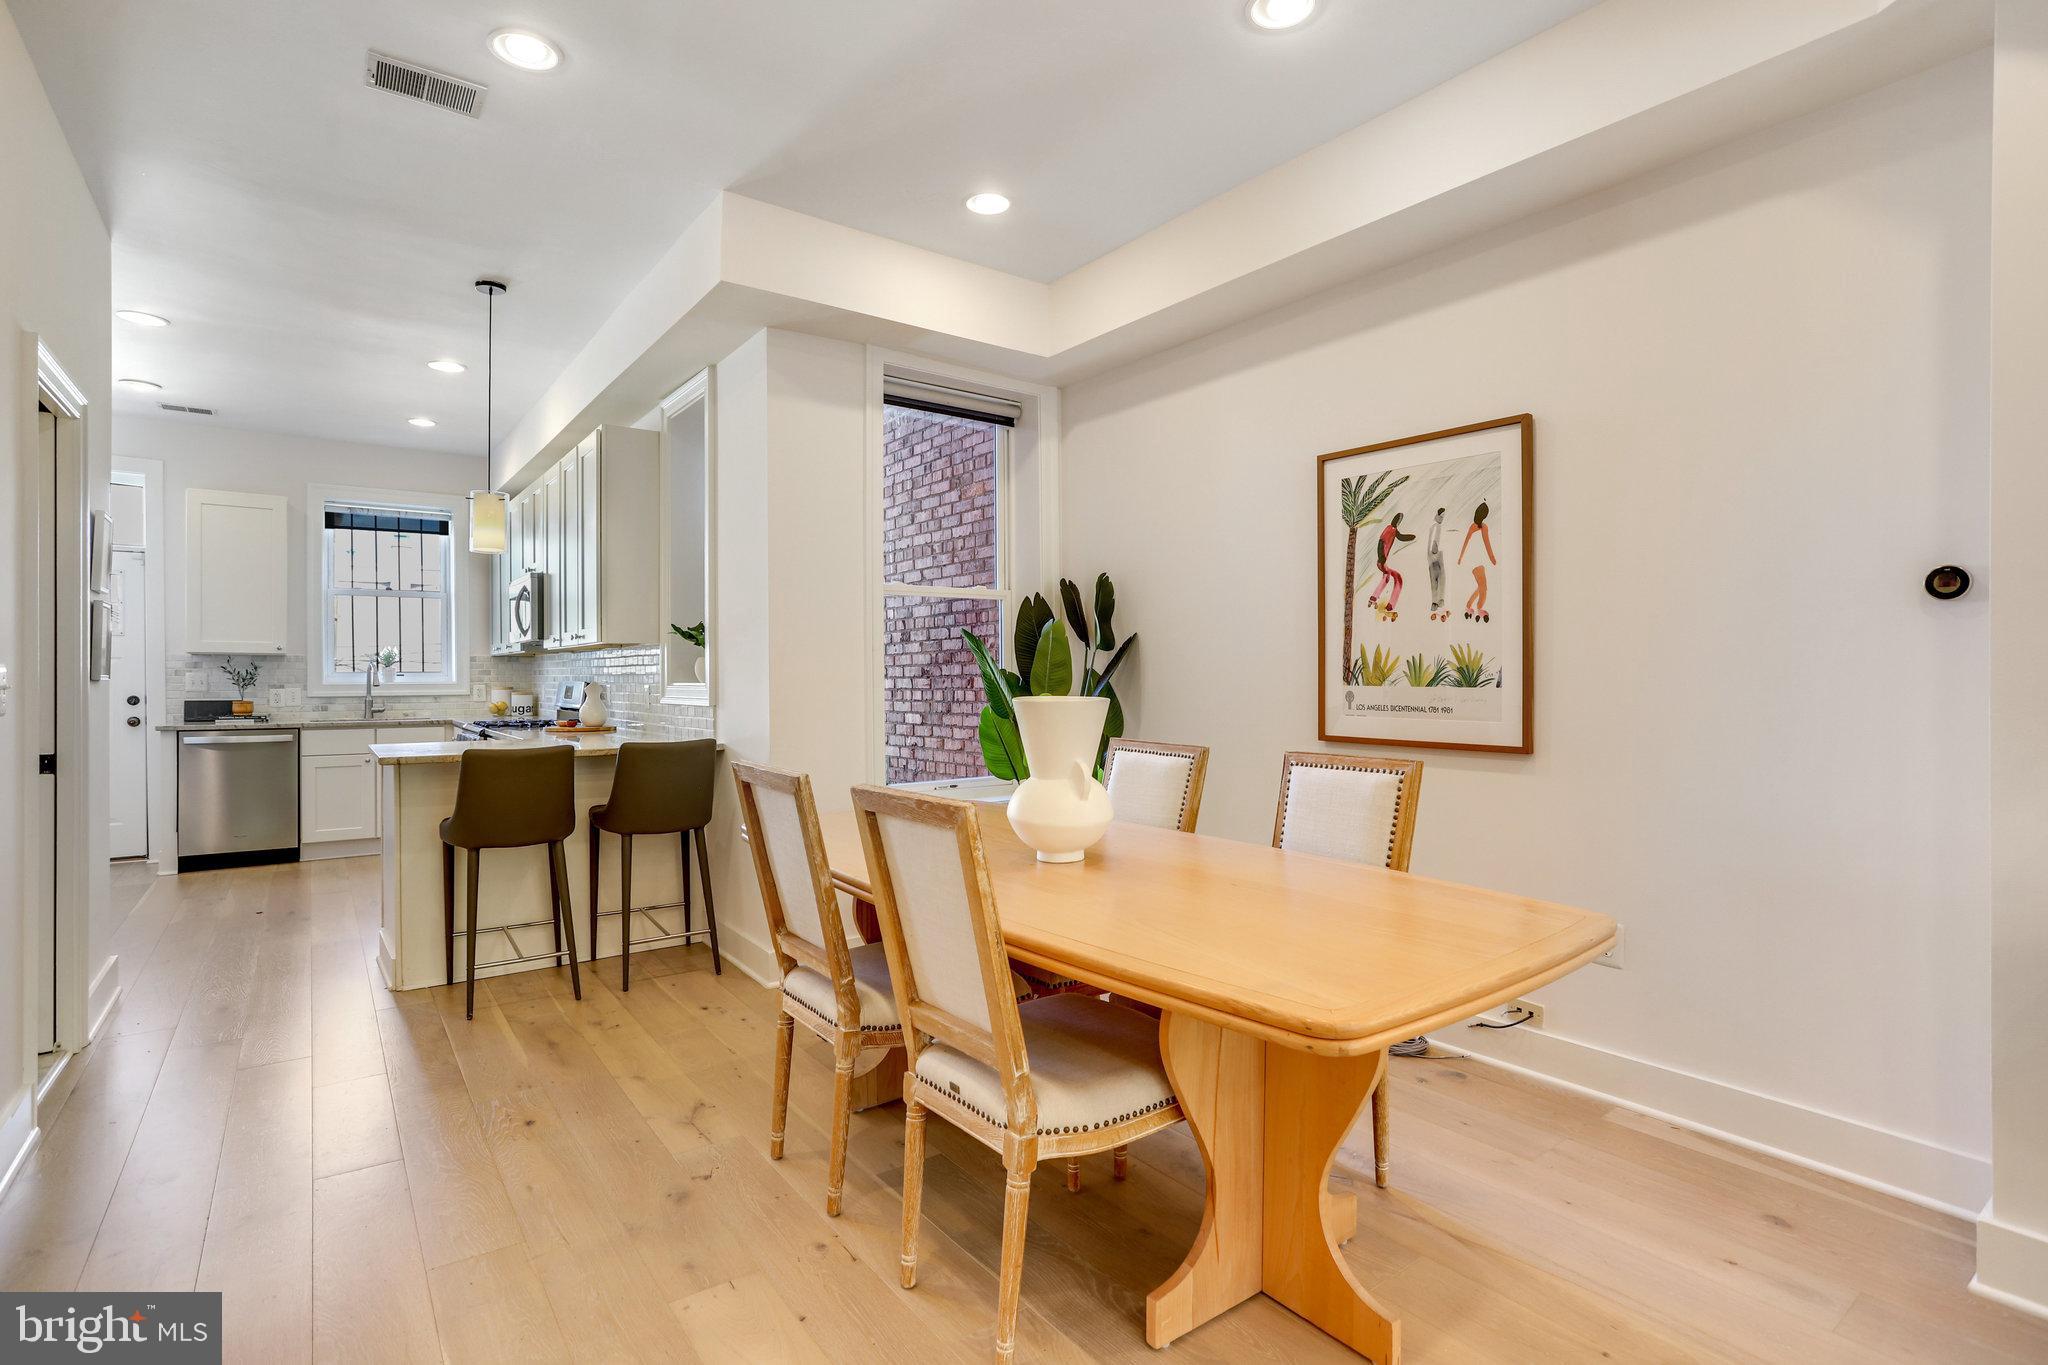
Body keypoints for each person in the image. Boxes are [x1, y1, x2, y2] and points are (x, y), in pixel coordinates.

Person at [1364, 511, 1416, 620]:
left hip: (1382, 561)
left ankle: (1376, 599)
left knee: (1389, 577)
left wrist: (1411, 537)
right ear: (1395, 520)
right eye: (1398, 520)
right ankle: (1389, 604)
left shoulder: (1394, 530)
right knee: (1397, 578)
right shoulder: (1389, 529)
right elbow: (1381, 542)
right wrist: (1381, 556)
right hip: (1381, 561)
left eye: (1399, 521)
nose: (1398, 522)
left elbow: (1401, 537)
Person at [1459, 501, 1497, 622]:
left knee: (1480, 586)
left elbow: (1466, 542)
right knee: (1483, 587)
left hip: (1472, 559)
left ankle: (1469, 606)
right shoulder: (1484, 527)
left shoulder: (1472, 526)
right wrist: (1492, 558)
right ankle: (1480, 608)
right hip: (1478, 560)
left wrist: (1461, 557)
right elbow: (1487, 544)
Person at [1426, 507, 1447, 621]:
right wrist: (1435, 553)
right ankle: (1437, 601)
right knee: (1438, 578)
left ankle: (1437, 601)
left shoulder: (1435, 526)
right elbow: (1434, 542)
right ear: (1438, 515)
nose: (1442, 518)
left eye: (1443, 516)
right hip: (1435, 554)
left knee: (1437, 579)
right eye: (1442, 516)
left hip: (1434, 555)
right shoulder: (1436, 526)